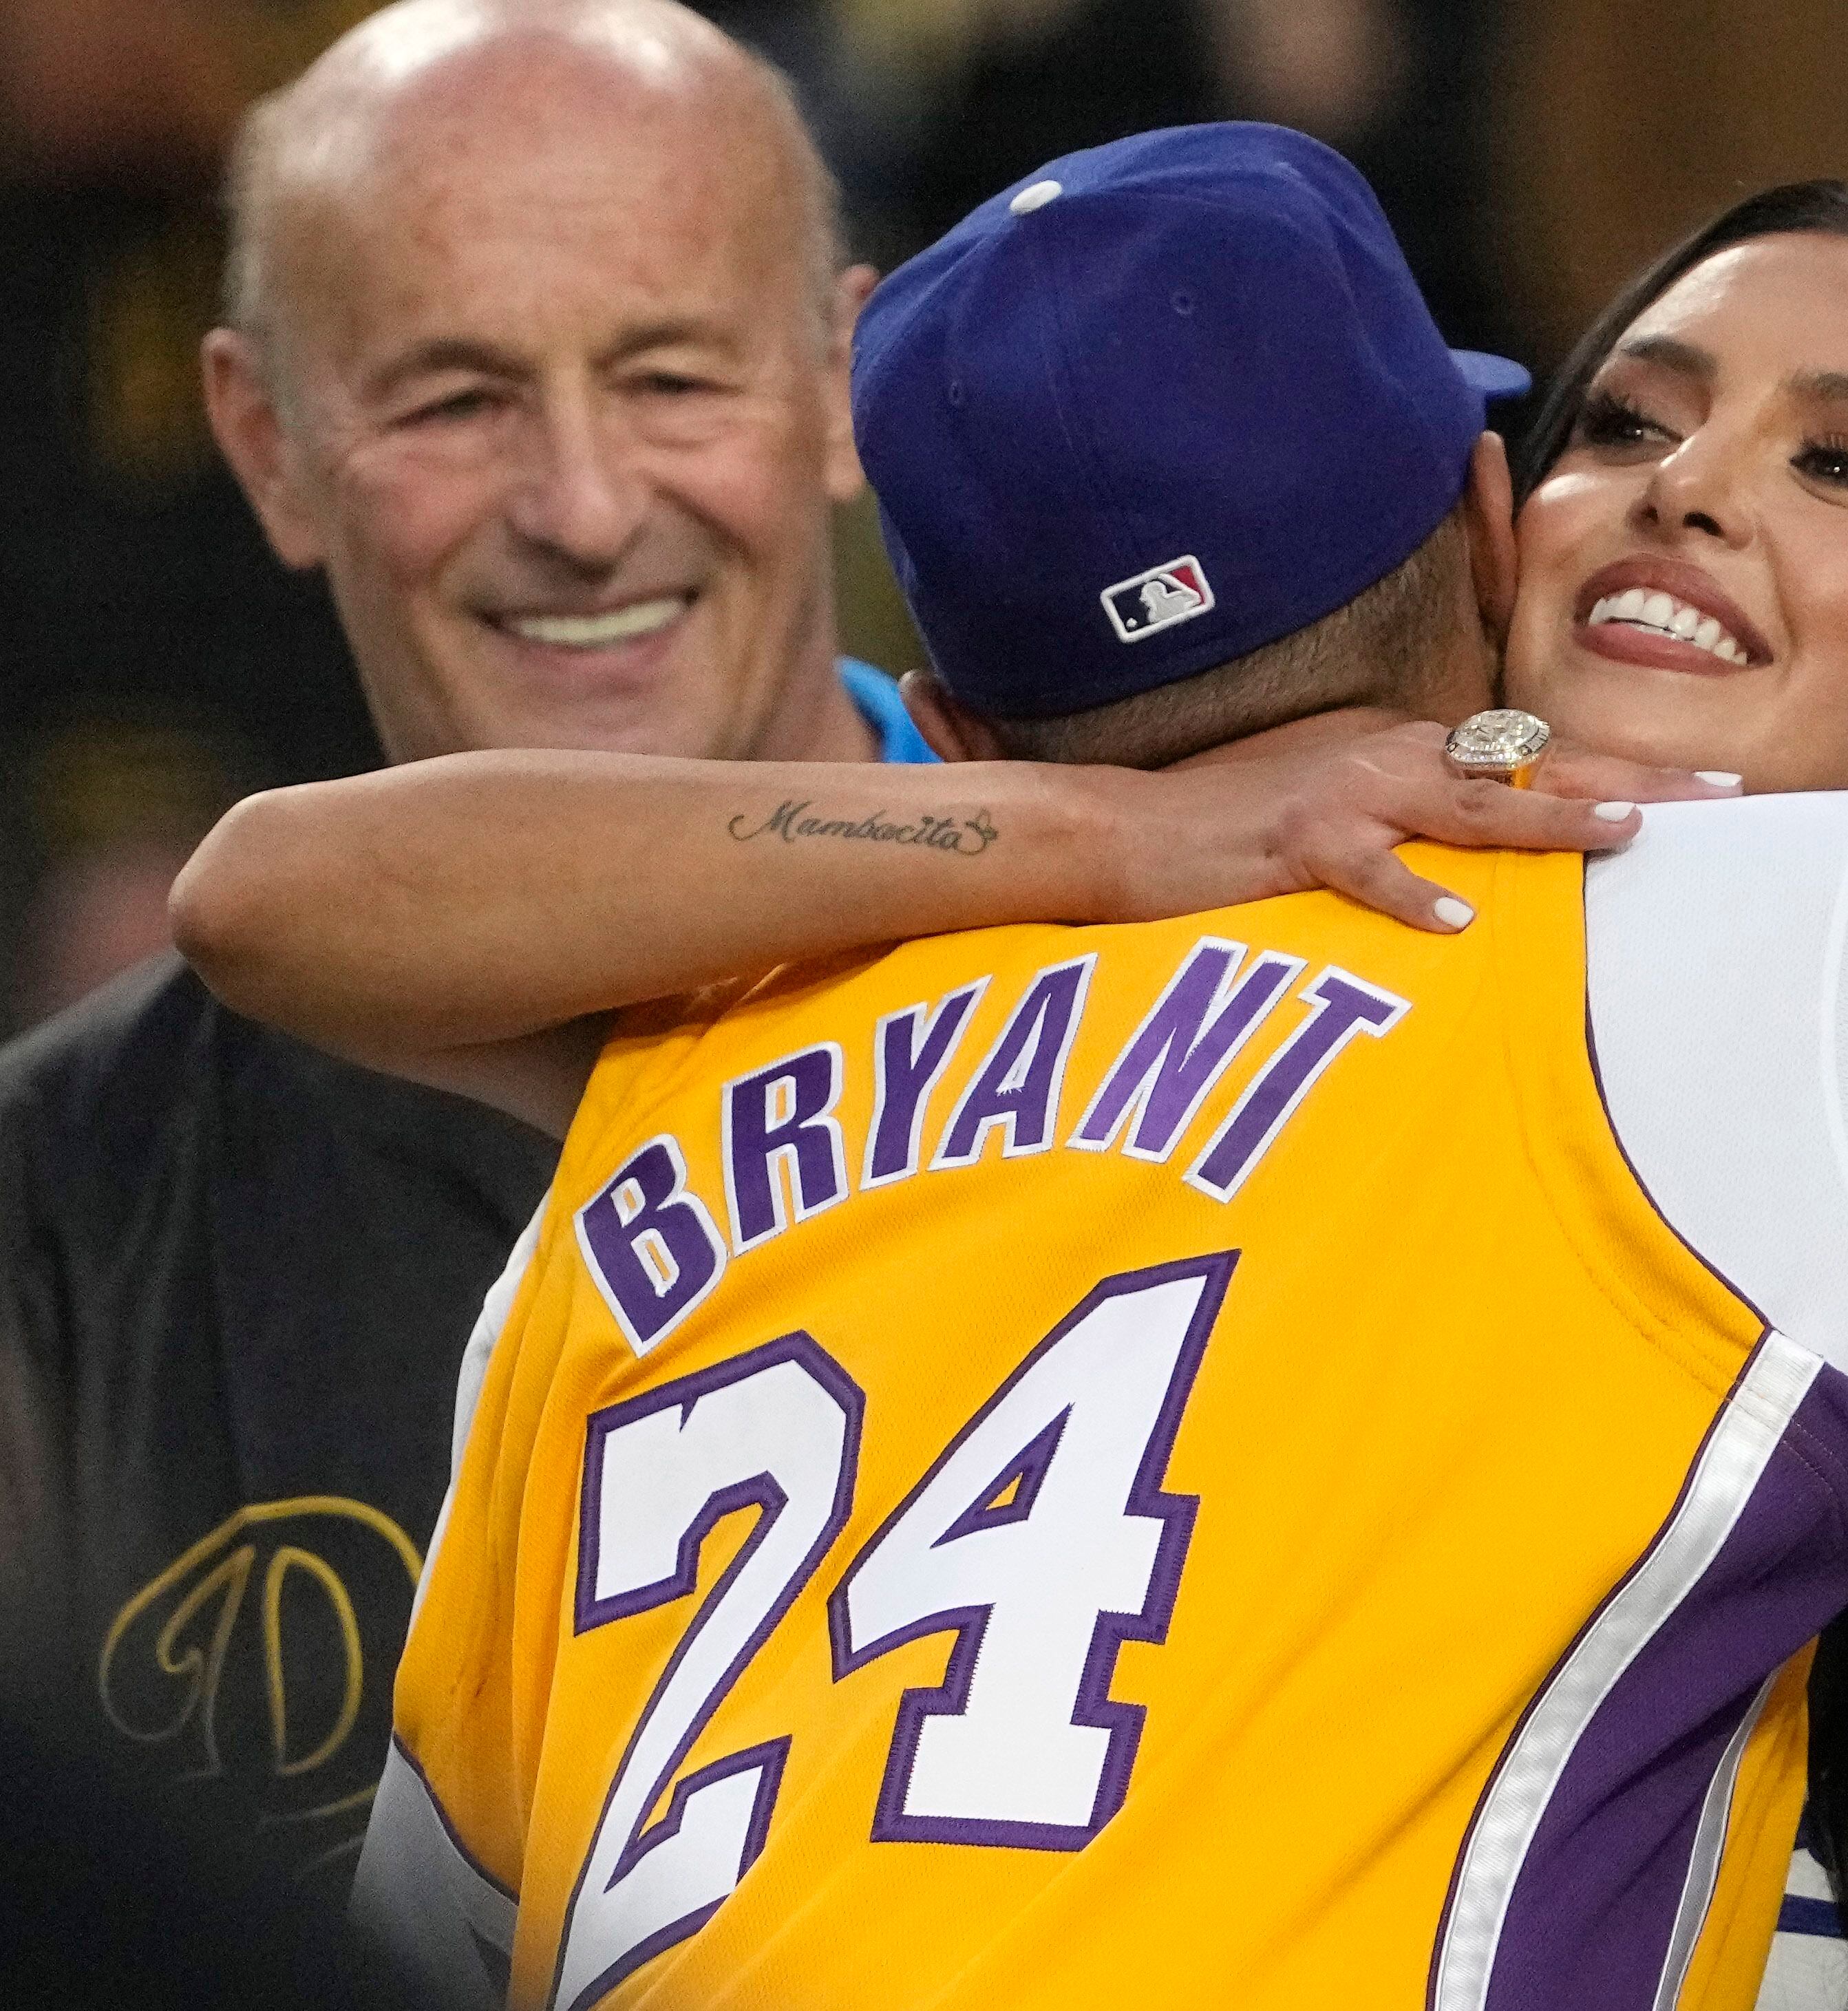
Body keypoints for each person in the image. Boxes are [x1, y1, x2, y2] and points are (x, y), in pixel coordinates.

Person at [178, 128, 1848, 2010]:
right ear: (1479, 551)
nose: (1679, 493)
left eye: (1837, 460)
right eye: (1618, 421)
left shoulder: (685, 1112)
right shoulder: (1734, 954)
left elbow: (273, 893)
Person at [0, 1, 1598, 1908]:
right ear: (263, 444)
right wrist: (1103, 839)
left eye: (672, 379)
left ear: (837, 385)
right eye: (453, 401)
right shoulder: (57, 1209)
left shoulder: (1285, 931)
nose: (585, 513)